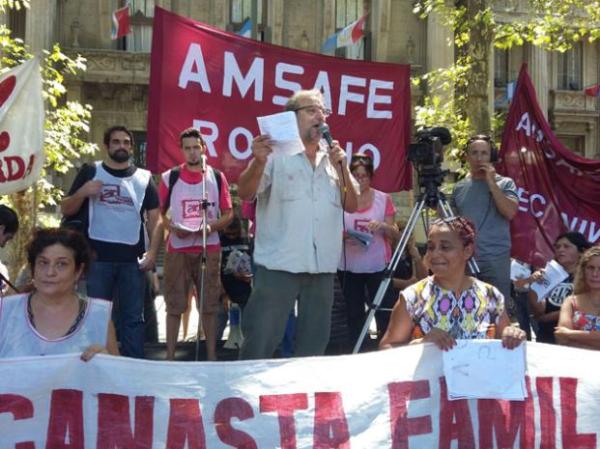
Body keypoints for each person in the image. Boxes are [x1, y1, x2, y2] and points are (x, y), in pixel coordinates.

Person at [237, 89, 359, 359]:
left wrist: (343, 169)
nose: (321, 116)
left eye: (323, 111)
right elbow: (245, 192)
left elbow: (352, 204)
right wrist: (258, 163)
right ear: (292, 118)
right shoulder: (273, 156)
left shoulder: (334, 158)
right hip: (279, 265)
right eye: (312, 110)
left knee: (313, 349)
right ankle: (245, 396)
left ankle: (304, 398)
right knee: (261, 341)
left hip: (322, 268)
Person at [60, 125, 161, 358]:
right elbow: (66, 208)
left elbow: (156, 221)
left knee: (133, 319)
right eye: (116, 142)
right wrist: (83, 191)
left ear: (132, 147)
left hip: (132, 261)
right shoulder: (91, 171)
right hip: (98, 258)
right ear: (107, 146)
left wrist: (153, 253)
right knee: (97, 316)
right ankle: (100, 367)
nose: (121, 146)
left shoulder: (144, 178)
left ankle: (134, 370)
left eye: (126, 142)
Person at [380, 217, 526, 350]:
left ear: (467, 251)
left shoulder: (491, 295)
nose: (435, 254)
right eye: (431, 247)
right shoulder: (413, 298)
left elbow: (505, 341)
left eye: (445, 247)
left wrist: (512, 335)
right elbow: (387, 348)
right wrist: (421, 343)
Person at [157, 127, 233, 360]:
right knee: (174, 304)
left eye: (196, 148)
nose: (192, 153)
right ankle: (169, 358)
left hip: (207, 248)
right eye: (187, 148)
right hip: (178, 248)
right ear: (181, 150)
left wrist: (210, 227)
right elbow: (158, 214)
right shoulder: (170, 177)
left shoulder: (216, 177)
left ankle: (210, 357)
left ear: (203, 148)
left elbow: (228, 214)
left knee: (209, 304)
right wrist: (172, 228)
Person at [0, 228, 118, 359]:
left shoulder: (98, 317)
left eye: (61, 264)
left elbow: (118, 377)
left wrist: (107, 362)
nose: (50, 272)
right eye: (43, 263)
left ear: (79, 271)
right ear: (33, 268)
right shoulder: (5, 310)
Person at [337, 153, 399, 348]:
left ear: (371, 177)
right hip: (349, 266)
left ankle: (385, 347)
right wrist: (343, 235)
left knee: (382, 311)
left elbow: (395, 233)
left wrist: (382, 227)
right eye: (355, 175)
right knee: (354, 313)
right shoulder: (342, 198)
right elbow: (329, 230)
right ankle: (359, 349)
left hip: (377, 265)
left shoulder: (383, 198)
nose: (360, 180)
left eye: (364, 176)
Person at [451, 134, 518, 302]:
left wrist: (491, 183)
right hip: (466, 260)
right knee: (466, 309)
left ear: (491, 156)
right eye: (474, 153)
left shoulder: (505, 183)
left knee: (497, 311)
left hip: (495, 259)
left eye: (484, 153)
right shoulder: (459, 188)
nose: (479, 158)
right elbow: (451, 224)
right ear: (467, 157)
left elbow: (510, 212)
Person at [522, 232, 591, 344]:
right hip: (547, 337)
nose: (560, 250)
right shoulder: (549, 274)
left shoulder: (590, 276)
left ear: (581, 252)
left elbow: (584, 307)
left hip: (575, 339)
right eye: (557, 247)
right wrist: (533, 286)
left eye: (566, 246)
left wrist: (546, 318)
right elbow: (539, 311)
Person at [556, 246, 600, 349]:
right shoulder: (571, 302)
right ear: (583, 271)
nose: (595, 274)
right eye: (590, 268)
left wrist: (570, 334)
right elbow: (561, 337)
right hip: (575, 363)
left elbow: (565, 334)